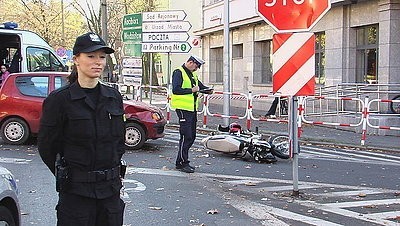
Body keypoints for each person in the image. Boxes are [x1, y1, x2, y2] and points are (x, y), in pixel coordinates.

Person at [38, 32, 125, 226]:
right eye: (91, 56)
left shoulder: (113, 96)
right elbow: (47, 147)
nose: (98, 62)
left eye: (102, 57)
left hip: (110, 192)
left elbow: (119, 141)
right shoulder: (59, 100)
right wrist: (70, 173)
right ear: (76, 59)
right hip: (76, 194)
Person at [171, 55, 213, 173]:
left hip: (192, 108)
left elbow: (199, 86)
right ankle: (183, 163)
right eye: (196, 66)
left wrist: (207, 90)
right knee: (186, 136)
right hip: (183, 109)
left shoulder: (192, 74)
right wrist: (191, 90)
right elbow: (176, 89)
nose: (196, 69)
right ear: (190, 62)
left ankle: (180, 161)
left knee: (192, 136)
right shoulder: (178, 72)